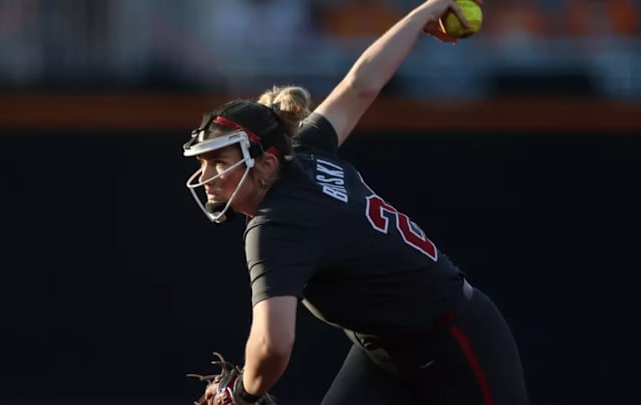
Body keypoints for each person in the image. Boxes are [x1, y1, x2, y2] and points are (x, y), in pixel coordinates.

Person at [182, 0, 529, 403]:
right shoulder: (303, 151)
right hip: (385, 350)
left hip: (454, 342)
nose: (206, 176)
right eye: (204, 162)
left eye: (219, 161)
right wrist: (419, 17)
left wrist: (243, 393)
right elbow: (362, 83)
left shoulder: (275, 226)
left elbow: (273, 345)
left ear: (266, 162)